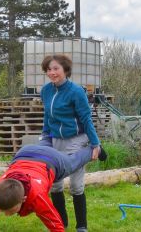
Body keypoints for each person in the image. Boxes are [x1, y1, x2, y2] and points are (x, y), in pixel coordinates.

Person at [0, 144, 106, 232]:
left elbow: (55, 224)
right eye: (3, 210)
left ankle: (95, 149)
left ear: (24, 198)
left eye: (10, 210)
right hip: (24, 153)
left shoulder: (37, 196)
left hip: (51, 160)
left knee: (73, 162)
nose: (6, 214)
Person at [39, 55, 103, 232]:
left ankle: (81, 226)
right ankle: (61, 223)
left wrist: (95, 143)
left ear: (65, 70)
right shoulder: (45, 91)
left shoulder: (76, 91)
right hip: (55, 141)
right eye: (49, 69)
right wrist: (44, 136)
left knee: (76, 185)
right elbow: (47, 115)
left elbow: (86, 118)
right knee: (55, 184)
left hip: (76, 140)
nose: (52, 73)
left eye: (56, 69)